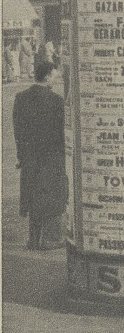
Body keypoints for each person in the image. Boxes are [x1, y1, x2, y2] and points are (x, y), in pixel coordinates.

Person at [13, 61, 67, 251]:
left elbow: (18, 130)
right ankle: (50, 239)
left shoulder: (20, 98)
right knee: (53, 197)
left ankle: (33, 239)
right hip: (51, 157)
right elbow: (62, 133)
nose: (55, 78)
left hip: (29, 158)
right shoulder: (56, 101)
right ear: (46, 77)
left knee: (34, 197)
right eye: (54, 75)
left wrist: (22, 156)